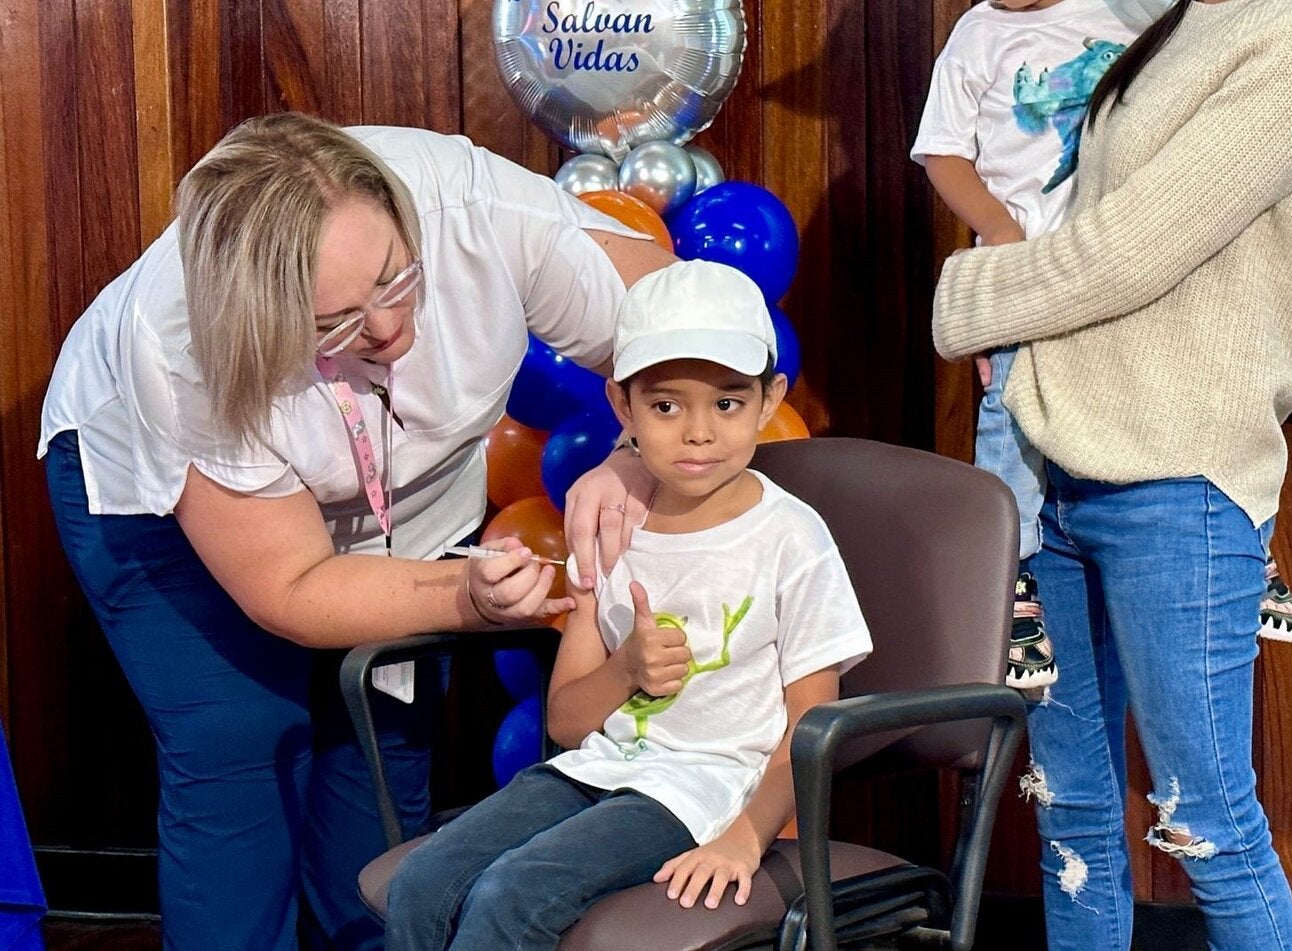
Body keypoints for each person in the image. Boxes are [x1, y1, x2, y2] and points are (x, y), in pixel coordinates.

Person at [37, 112, 672, 951]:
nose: (384, 329)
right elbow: (292, 586)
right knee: (240, 739)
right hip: (165, 496)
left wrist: (635, 452)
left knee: (381, 734)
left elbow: (685, 323)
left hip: (412, 494)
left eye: (396, 280)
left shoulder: (479, 212)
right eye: (332, 322)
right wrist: (463, 596)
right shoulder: (179, 342)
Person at [931, 0, 1292, 947]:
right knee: (1069, 812)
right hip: (1057, 459)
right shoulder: (1183, 15)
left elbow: (1132, 248)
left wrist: (968, 300)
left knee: (1208, 830)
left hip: (1179, 483)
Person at [382, 259, 873, 951]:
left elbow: (812, 724)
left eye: (727, 403)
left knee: (511, 895)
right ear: (623, 408)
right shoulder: (615, 530)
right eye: (666, 405)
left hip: (707, 790)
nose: (697, 431)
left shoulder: (792, 537)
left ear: (770, 400)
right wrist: (627, 671)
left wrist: (745, 835)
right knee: (423, 879)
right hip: (598, 771)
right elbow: (570, 721)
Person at [912, 0, 1292, 695]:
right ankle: (1010, 589)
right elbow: (941, 152)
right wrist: (1000, 230)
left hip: (1118, 272)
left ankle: (1249, 558)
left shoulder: (1122, 14)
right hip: (1027, 282)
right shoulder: (977, 35)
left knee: (1194, 398)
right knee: (1009, 427)